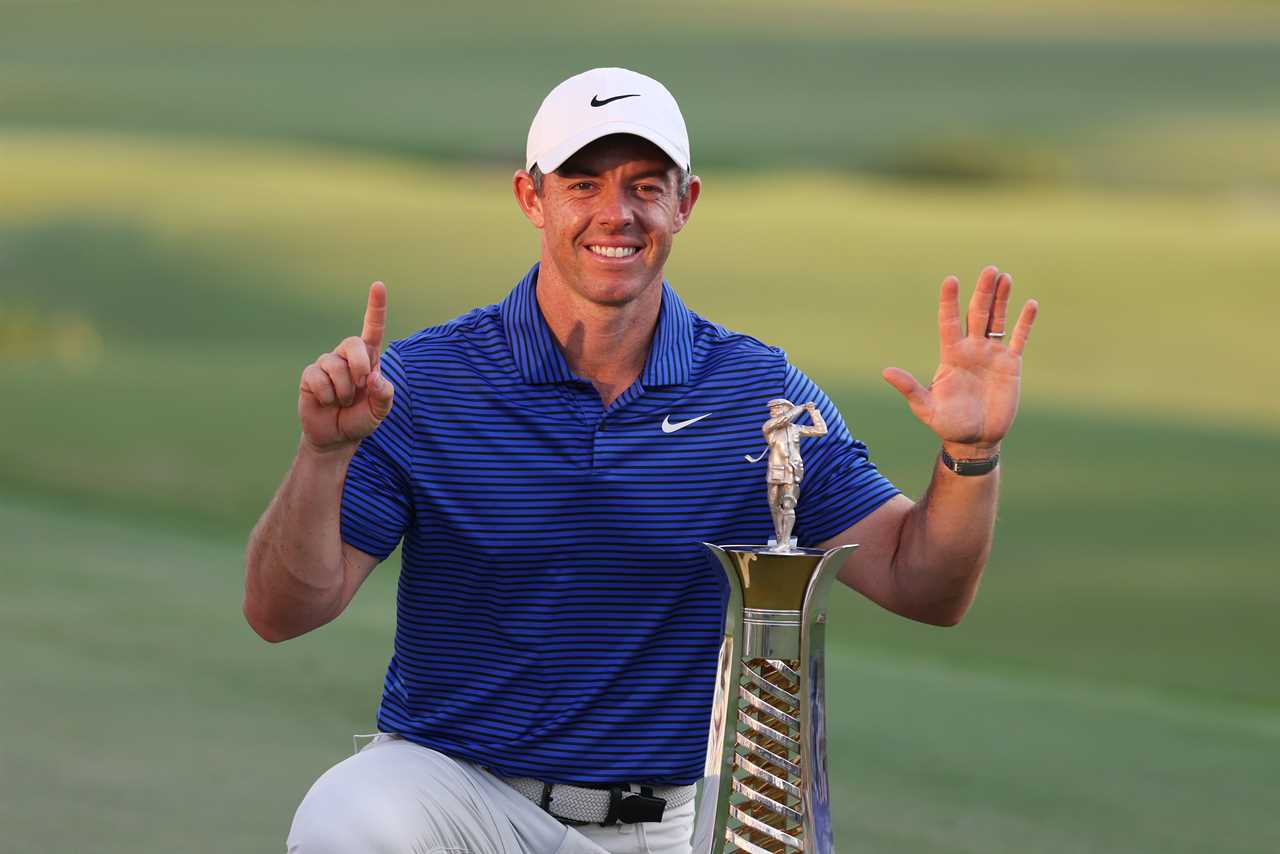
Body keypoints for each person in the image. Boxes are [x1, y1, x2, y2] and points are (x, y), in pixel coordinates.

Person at [243, 67, 1038, 854]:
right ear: (532, 197)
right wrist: (323, 456)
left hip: (655, 827)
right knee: (348, 817)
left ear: (685, 203)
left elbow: (921, 582)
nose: (614, 214)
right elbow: (282, 612)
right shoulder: (423, 383)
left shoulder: (756, 393)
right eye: (582, 185)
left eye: (645, 185)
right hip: (456, 796)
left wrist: (971, 456)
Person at [759, 398, 828, 550]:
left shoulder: (796, 429)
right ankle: (779, 538)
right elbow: (784, 419)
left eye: (776, 409)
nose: (772, 412)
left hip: (792, 470)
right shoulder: (769, 428)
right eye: (772, 410)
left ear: (786, 408)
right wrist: (801, 408)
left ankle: (785, 542)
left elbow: (821, 430)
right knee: (774, 505)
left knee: (789, 504)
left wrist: (813, 412)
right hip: (775, 470)